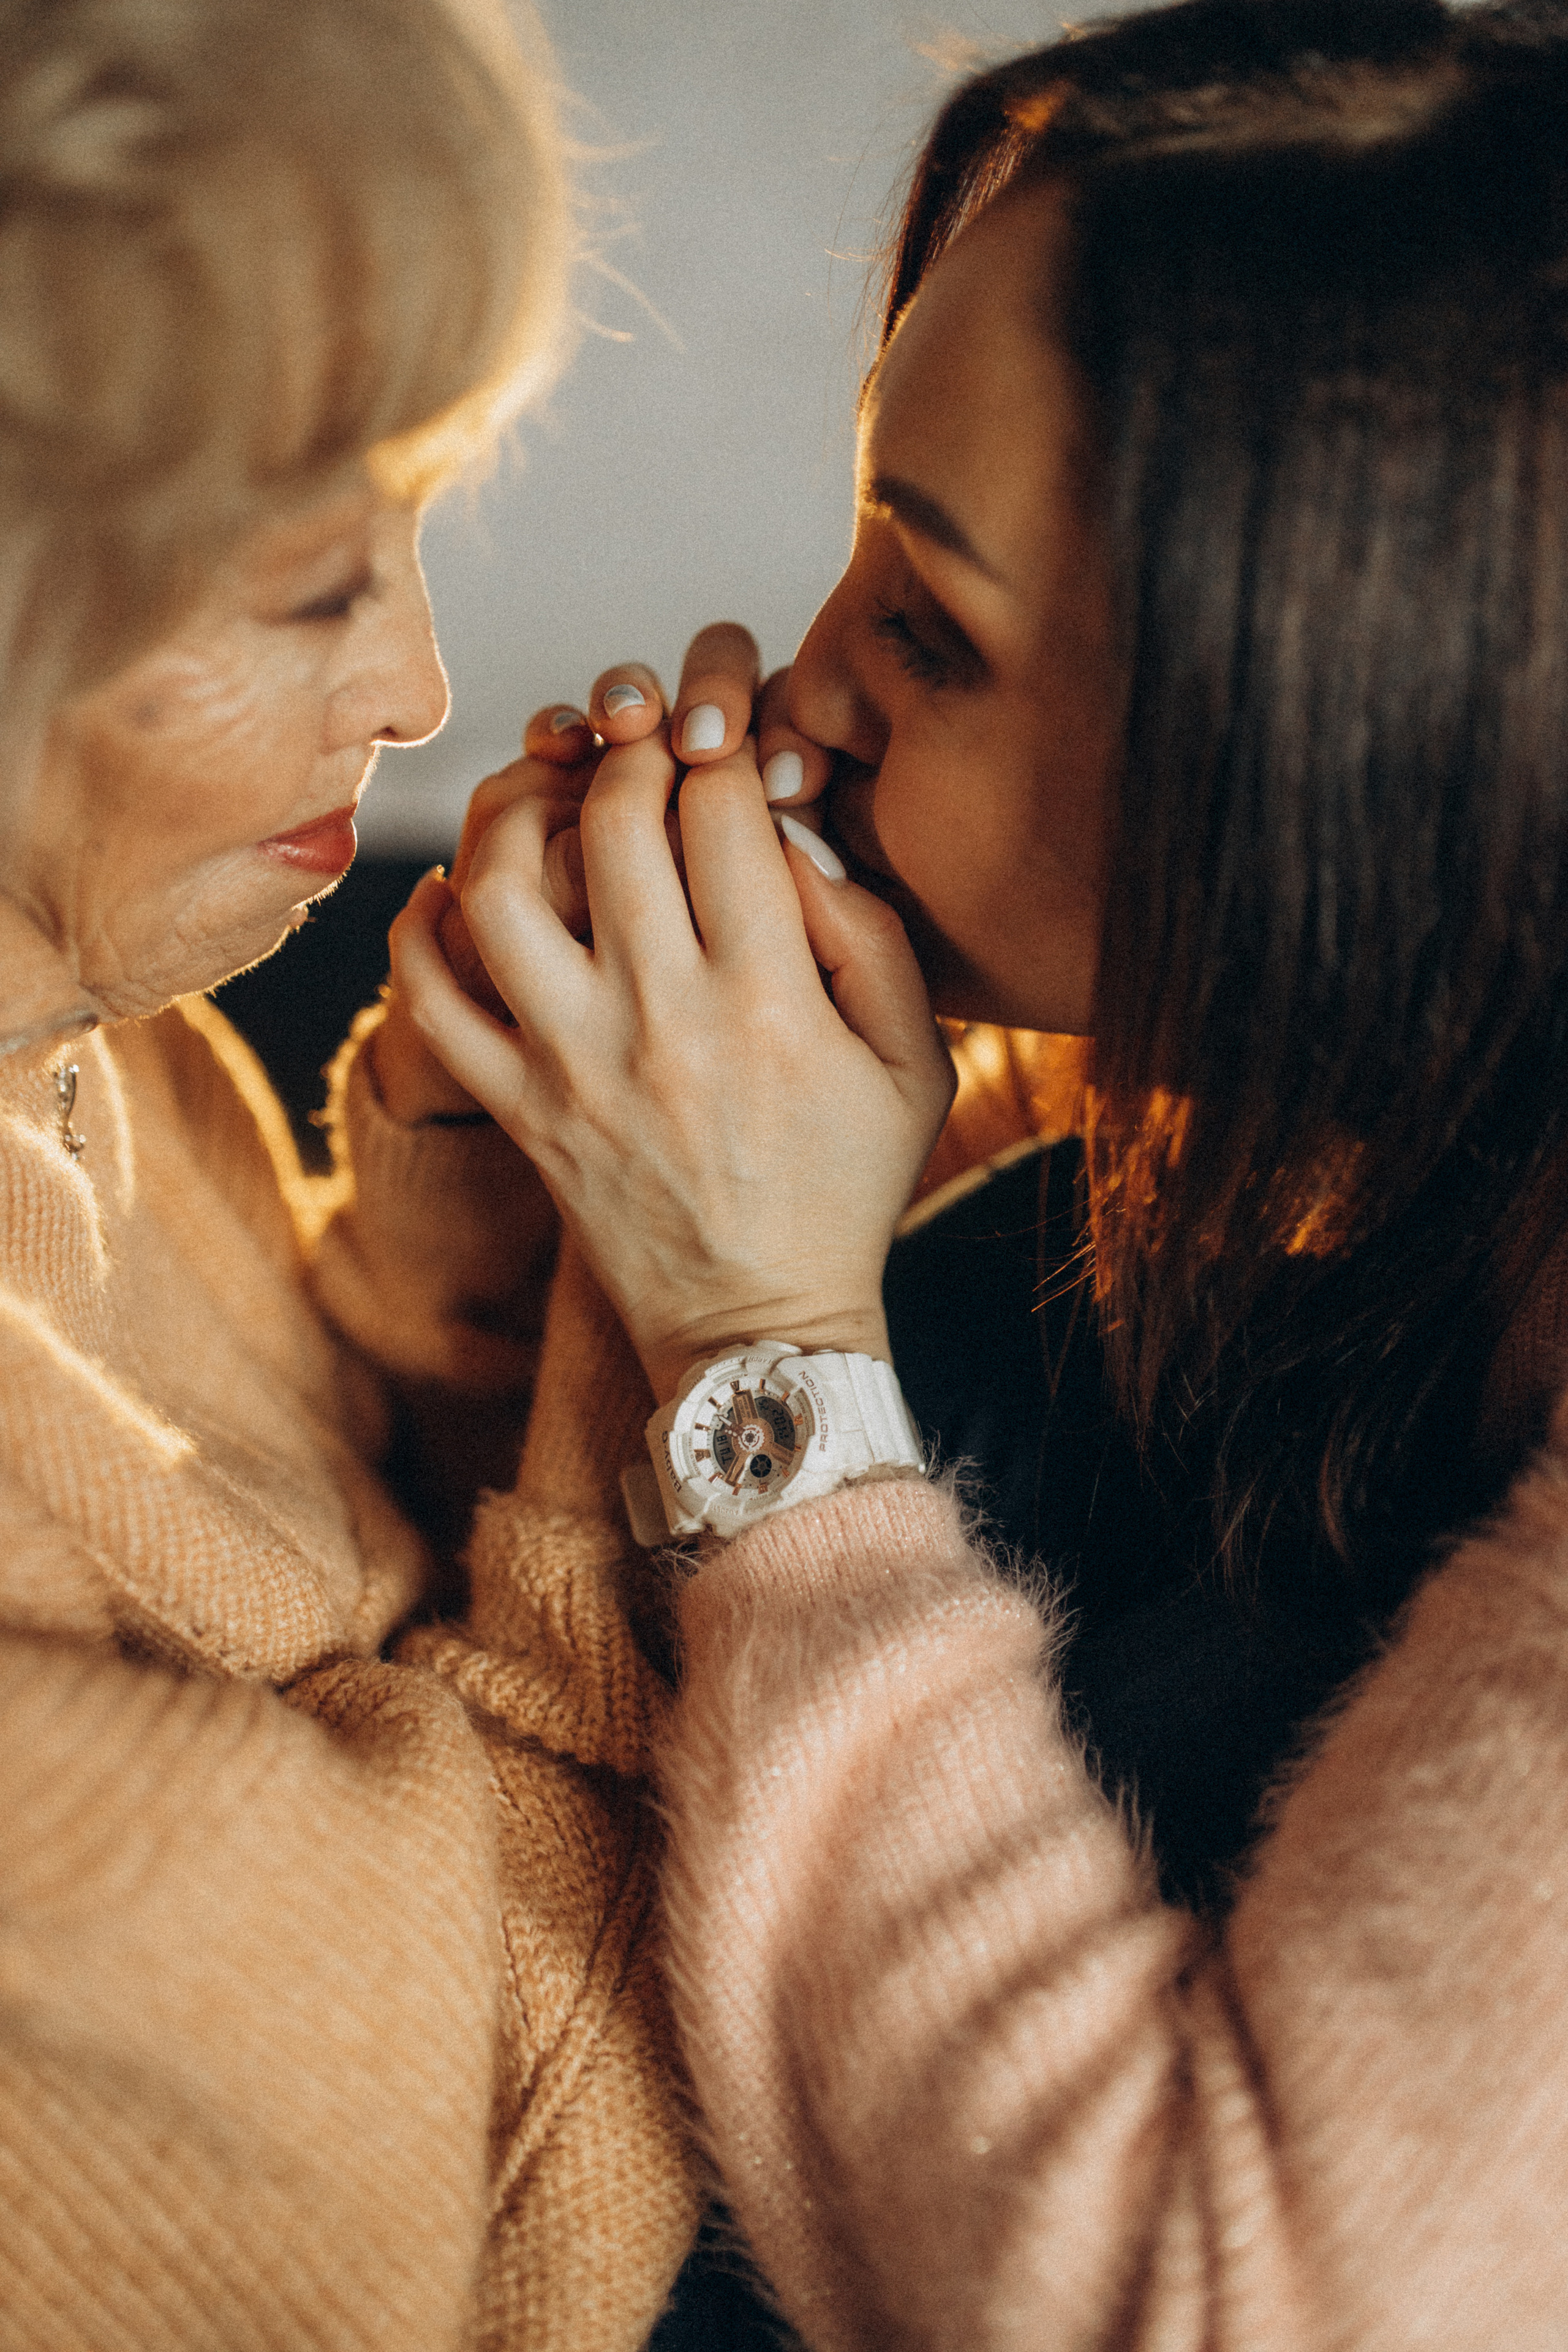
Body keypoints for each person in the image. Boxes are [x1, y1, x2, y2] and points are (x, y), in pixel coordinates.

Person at [393, 0, 1568, 2340]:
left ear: (1346, 762)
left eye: (930, 624)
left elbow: (1196, 2303)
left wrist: (759, 1349)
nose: (801, 687)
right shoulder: (1234, 1131)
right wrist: (533, 1232)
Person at [0, 3, 707, 2343]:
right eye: (315, 582)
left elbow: (290, 1545)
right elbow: (527, 2206)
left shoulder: (98, 1024)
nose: (422, 684)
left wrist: (456, 1231)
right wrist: (663, 1300)